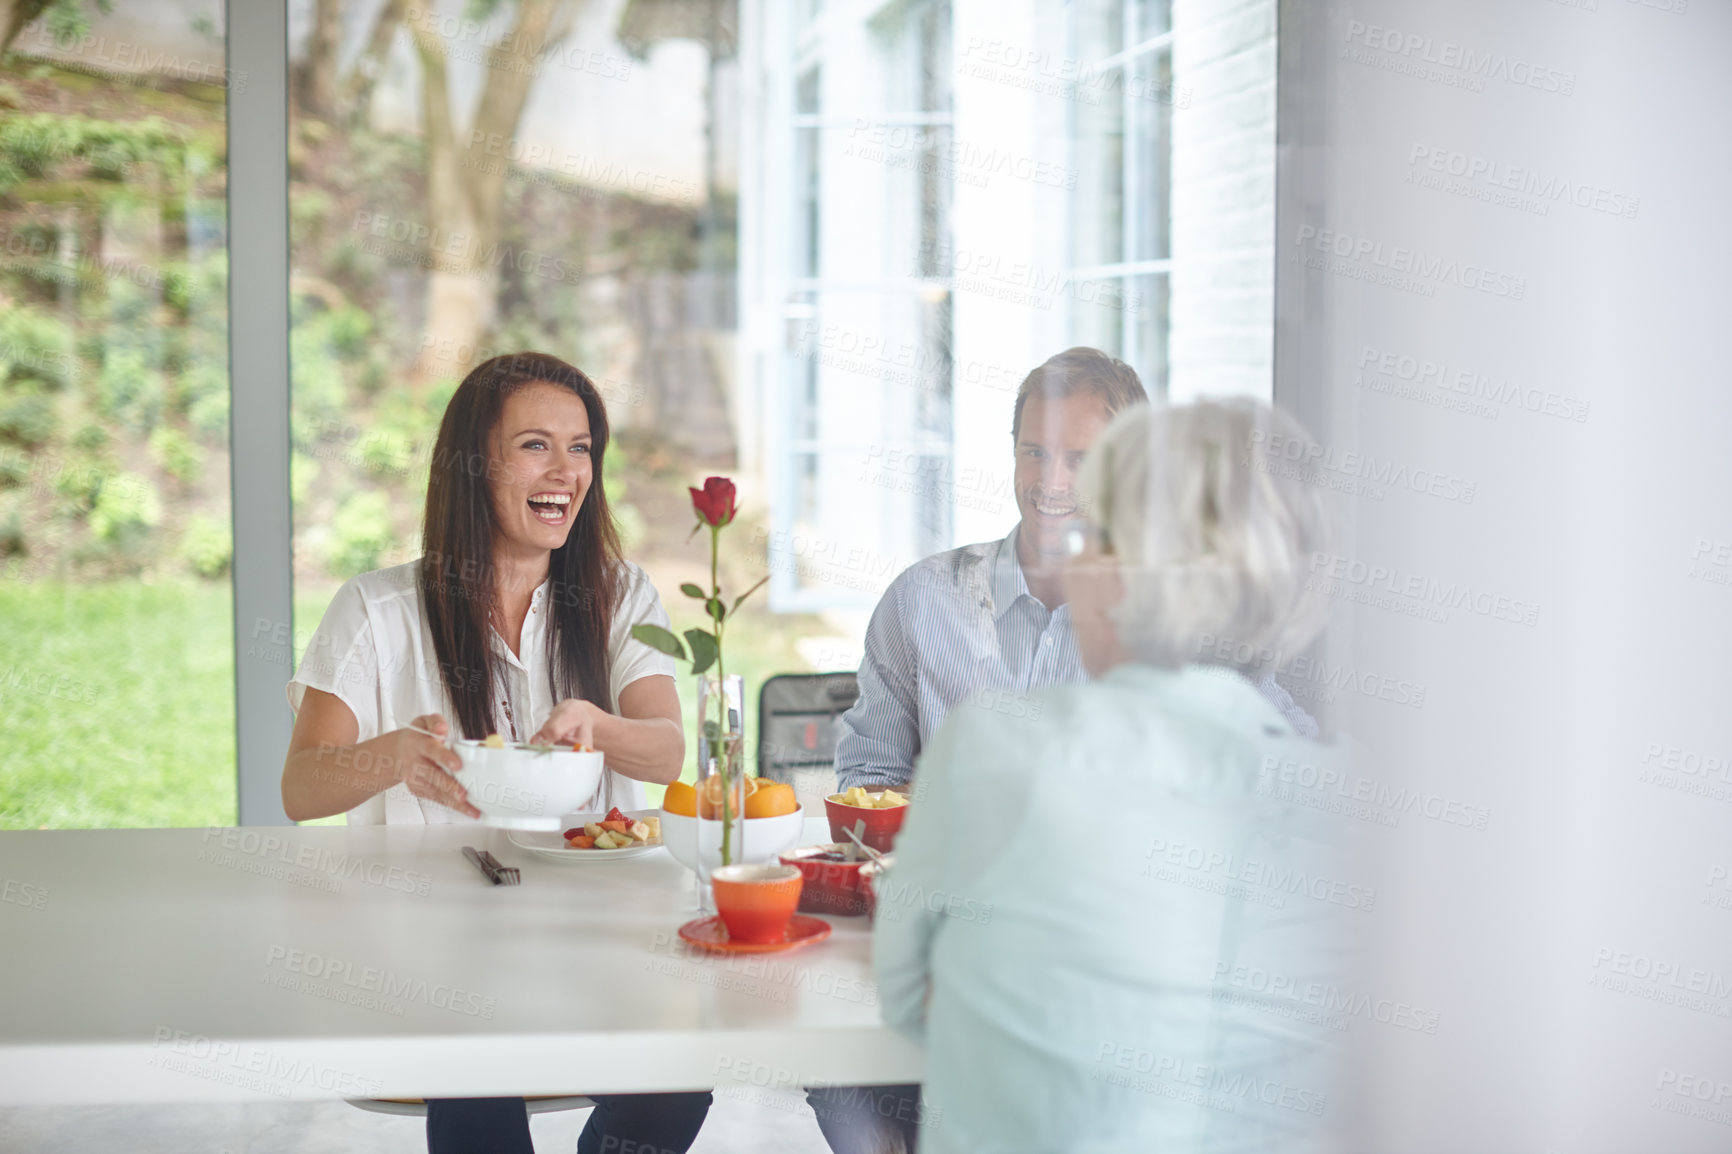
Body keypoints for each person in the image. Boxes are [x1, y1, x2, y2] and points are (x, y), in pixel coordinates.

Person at [872, 399, 1361, 1152]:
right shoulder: (1351, 811)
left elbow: (907, 999)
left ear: (1124, 574)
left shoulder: (995, 747)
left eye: (1089, 535)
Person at [280, 352, 711, 1154]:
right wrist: (394, 756)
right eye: (535, 446)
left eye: (581, 447)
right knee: (476, 1074)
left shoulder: (618, 595)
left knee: (680, 1078)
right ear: (473, 465)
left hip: (592, 939)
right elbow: (301, 789)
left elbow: (665, 754)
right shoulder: (376, 610)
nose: (566, 471)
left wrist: (598, 723)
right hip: (429, 947)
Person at [834, 348, 1316, 799]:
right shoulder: (920, 599)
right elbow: (867, 785)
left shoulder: (1179, 615)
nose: (1050, 483)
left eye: (1080, 460)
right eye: (1034, 453)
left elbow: (1293, 772)